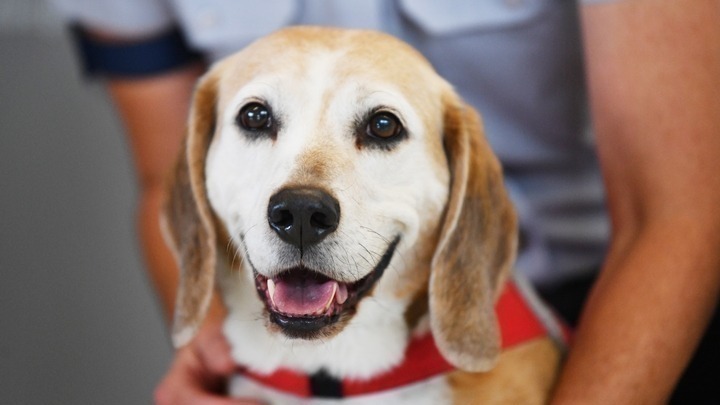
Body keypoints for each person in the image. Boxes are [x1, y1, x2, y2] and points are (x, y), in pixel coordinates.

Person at [51, 0, 720, 403]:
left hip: (604, 310)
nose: (307, 202)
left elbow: (678, 211)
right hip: (268, 328)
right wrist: (212, 347)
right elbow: (162, 175)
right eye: (257, 118)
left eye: (382, 127)